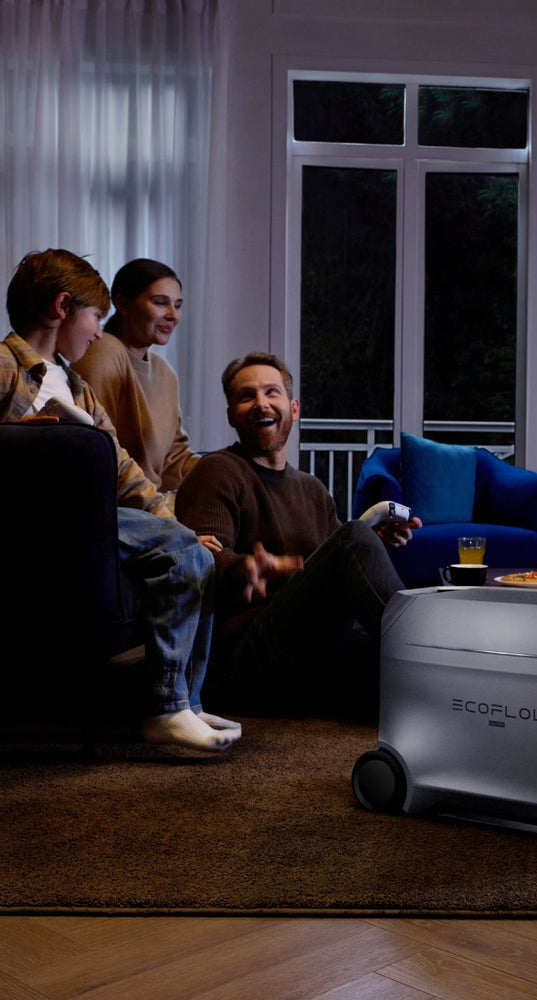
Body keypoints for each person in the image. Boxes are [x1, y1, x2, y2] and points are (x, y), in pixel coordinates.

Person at [1, 248, 240, 752]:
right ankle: (167, 708)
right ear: (62, 307)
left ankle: (187, 702)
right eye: (94, 315)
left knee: (194, 551)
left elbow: (124, 467)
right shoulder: (5, 366)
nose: (97, 330)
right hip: (37, 519)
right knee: (181, 548)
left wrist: (172, 522)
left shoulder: (79, 387)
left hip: (89, 521)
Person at [174, 352, 421, 713]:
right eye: (246, 396)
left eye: (271, 392)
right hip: (243, 654)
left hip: (307, 649)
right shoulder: (217, 470)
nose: (261, 404)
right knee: (354, 538)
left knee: (393, 679)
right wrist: (243, 567)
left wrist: (376, 544)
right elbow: (200, 554)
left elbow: (332, 569)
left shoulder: (311, 489)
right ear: (231, 415)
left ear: (293, 407)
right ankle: (435, 664)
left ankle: (442, 677)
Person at [73, 258, 199, 507]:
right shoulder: (104, 351)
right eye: (160, 303)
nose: (173, 315)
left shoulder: (165, 373)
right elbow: (97, 449)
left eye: (178, 305)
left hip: (154, 503)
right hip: (123, 507)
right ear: (122, 304)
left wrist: (229, 470)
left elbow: (174, 459)